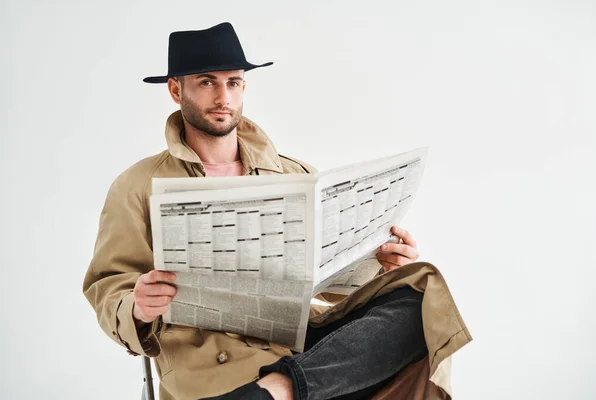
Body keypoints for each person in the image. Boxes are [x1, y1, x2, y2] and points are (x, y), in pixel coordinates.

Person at [83, 22, 471, 400]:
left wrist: (382, 267)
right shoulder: (137, 185)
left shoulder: (294, 175)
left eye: (233, 83)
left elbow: (329, 281)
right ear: (175, 89)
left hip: (296, 354)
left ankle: (278, 391)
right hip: (206, 364)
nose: (224, 97)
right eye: (207, 82)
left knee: (421, 291)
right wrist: (136, 305)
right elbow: (108, 285)